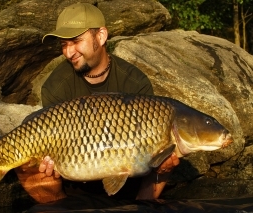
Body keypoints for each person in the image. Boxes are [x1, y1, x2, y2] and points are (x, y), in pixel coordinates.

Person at [15, 2, 179, 204]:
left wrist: (160, 161)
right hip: (75, 182)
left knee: (167, 156)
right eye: (64, 45)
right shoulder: (56, 86)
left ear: (101, 36)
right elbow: (49, 137)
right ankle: (61, 207)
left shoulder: (135, 82)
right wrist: (46, 163)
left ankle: (142, 207)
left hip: (129, 181)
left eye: (75, 41)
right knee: (26, 166)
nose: (68, 52)